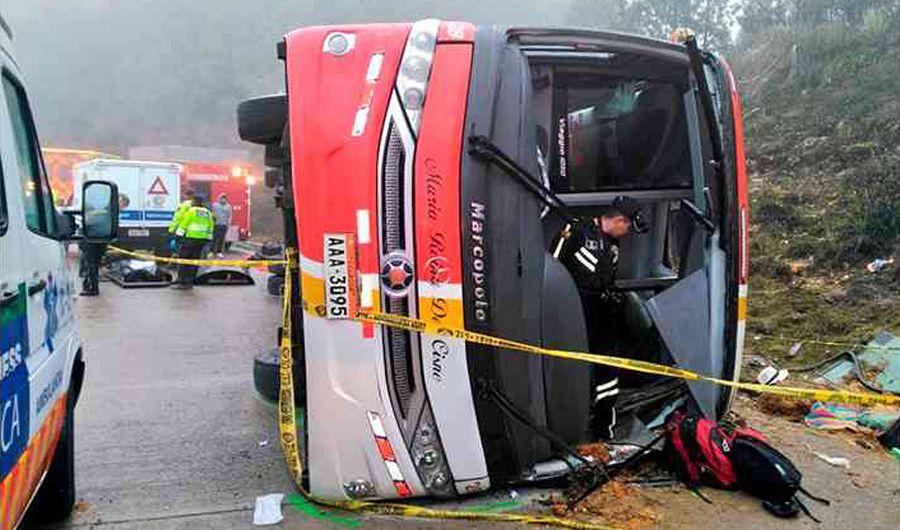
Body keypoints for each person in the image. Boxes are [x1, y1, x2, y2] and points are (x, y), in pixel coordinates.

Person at [552, 196, 645, 439]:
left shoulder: (613, 243)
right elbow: (551, 267)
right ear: (619, 220)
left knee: (608, 370)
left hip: (601, 313)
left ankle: (603, 428)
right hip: (571, 310)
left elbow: (606, 277)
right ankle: (568, 426)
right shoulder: (576, 231)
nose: (627, 232)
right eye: (627, 226)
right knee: (571, 368)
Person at [171, 195, 215, 290]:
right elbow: (210, 227)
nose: (191, 202)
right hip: (201, 241)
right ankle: (190, 282)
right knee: (194, 261)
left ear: (195, 201)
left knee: (183, 261)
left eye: (192, 201)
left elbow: (184, 225)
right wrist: (208, 241)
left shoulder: (191, 211)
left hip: (189, 239)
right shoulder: (207, 213)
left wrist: (177, 237)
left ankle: (182, 282)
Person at [167, 189, 195, 254]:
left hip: (184, 229)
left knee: (177, 246)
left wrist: (172, 229)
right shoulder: (197, 205)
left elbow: (178, 218)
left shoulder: (184, 205)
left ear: (187, 195)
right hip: (194, 231)